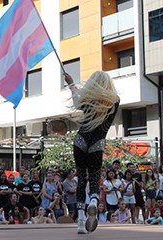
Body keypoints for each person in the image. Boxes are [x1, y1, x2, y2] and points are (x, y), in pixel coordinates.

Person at [64, 71, 120, 234]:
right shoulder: (114, 101)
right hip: (97, 142)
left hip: (81, 140)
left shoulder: (87, 98)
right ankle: (94, 202)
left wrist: (71, 84)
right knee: (94, 180)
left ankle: (81, 222)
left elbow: (76, 103)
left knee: (82, 179)